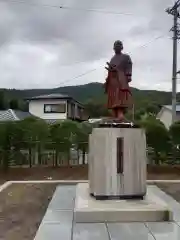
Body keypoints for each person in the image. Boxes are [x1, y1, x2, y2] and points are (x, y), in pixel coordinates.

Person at [104, 40, 133, 120]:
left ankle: (120, 114)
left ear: (122, 47)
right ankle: (114, 113)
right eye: (116, 45)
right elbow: (110, 69)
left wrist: (128, 75)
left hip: (120, 78)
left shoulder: (126, 57)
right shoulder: (112, 59)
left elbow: (129, 65)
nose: (117, 46)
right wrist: (107, 80)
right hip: (112, 79)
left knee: (119, 95)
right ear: (113, 47)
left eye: (119, 45)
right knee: (112, 96)